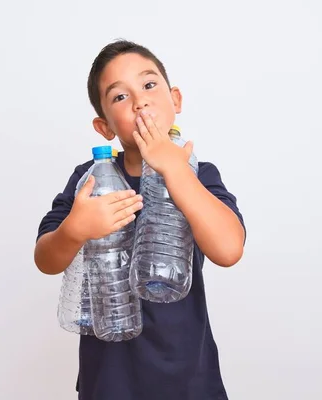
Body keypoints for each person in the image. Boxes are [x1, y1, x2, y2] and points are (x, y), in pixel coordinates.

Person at [34, 39, 246, 400]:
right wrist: (74, 230)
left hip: (189, 380)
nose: (139, 101)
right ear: (104, 127)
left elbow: (228, 249)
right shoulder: (90, 179)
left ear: (175, 99)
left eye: (149, 85)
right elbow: (45, 259)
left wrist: (174, 171)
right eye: (120, 97)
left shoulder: (198, 174)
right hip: (109, 382)